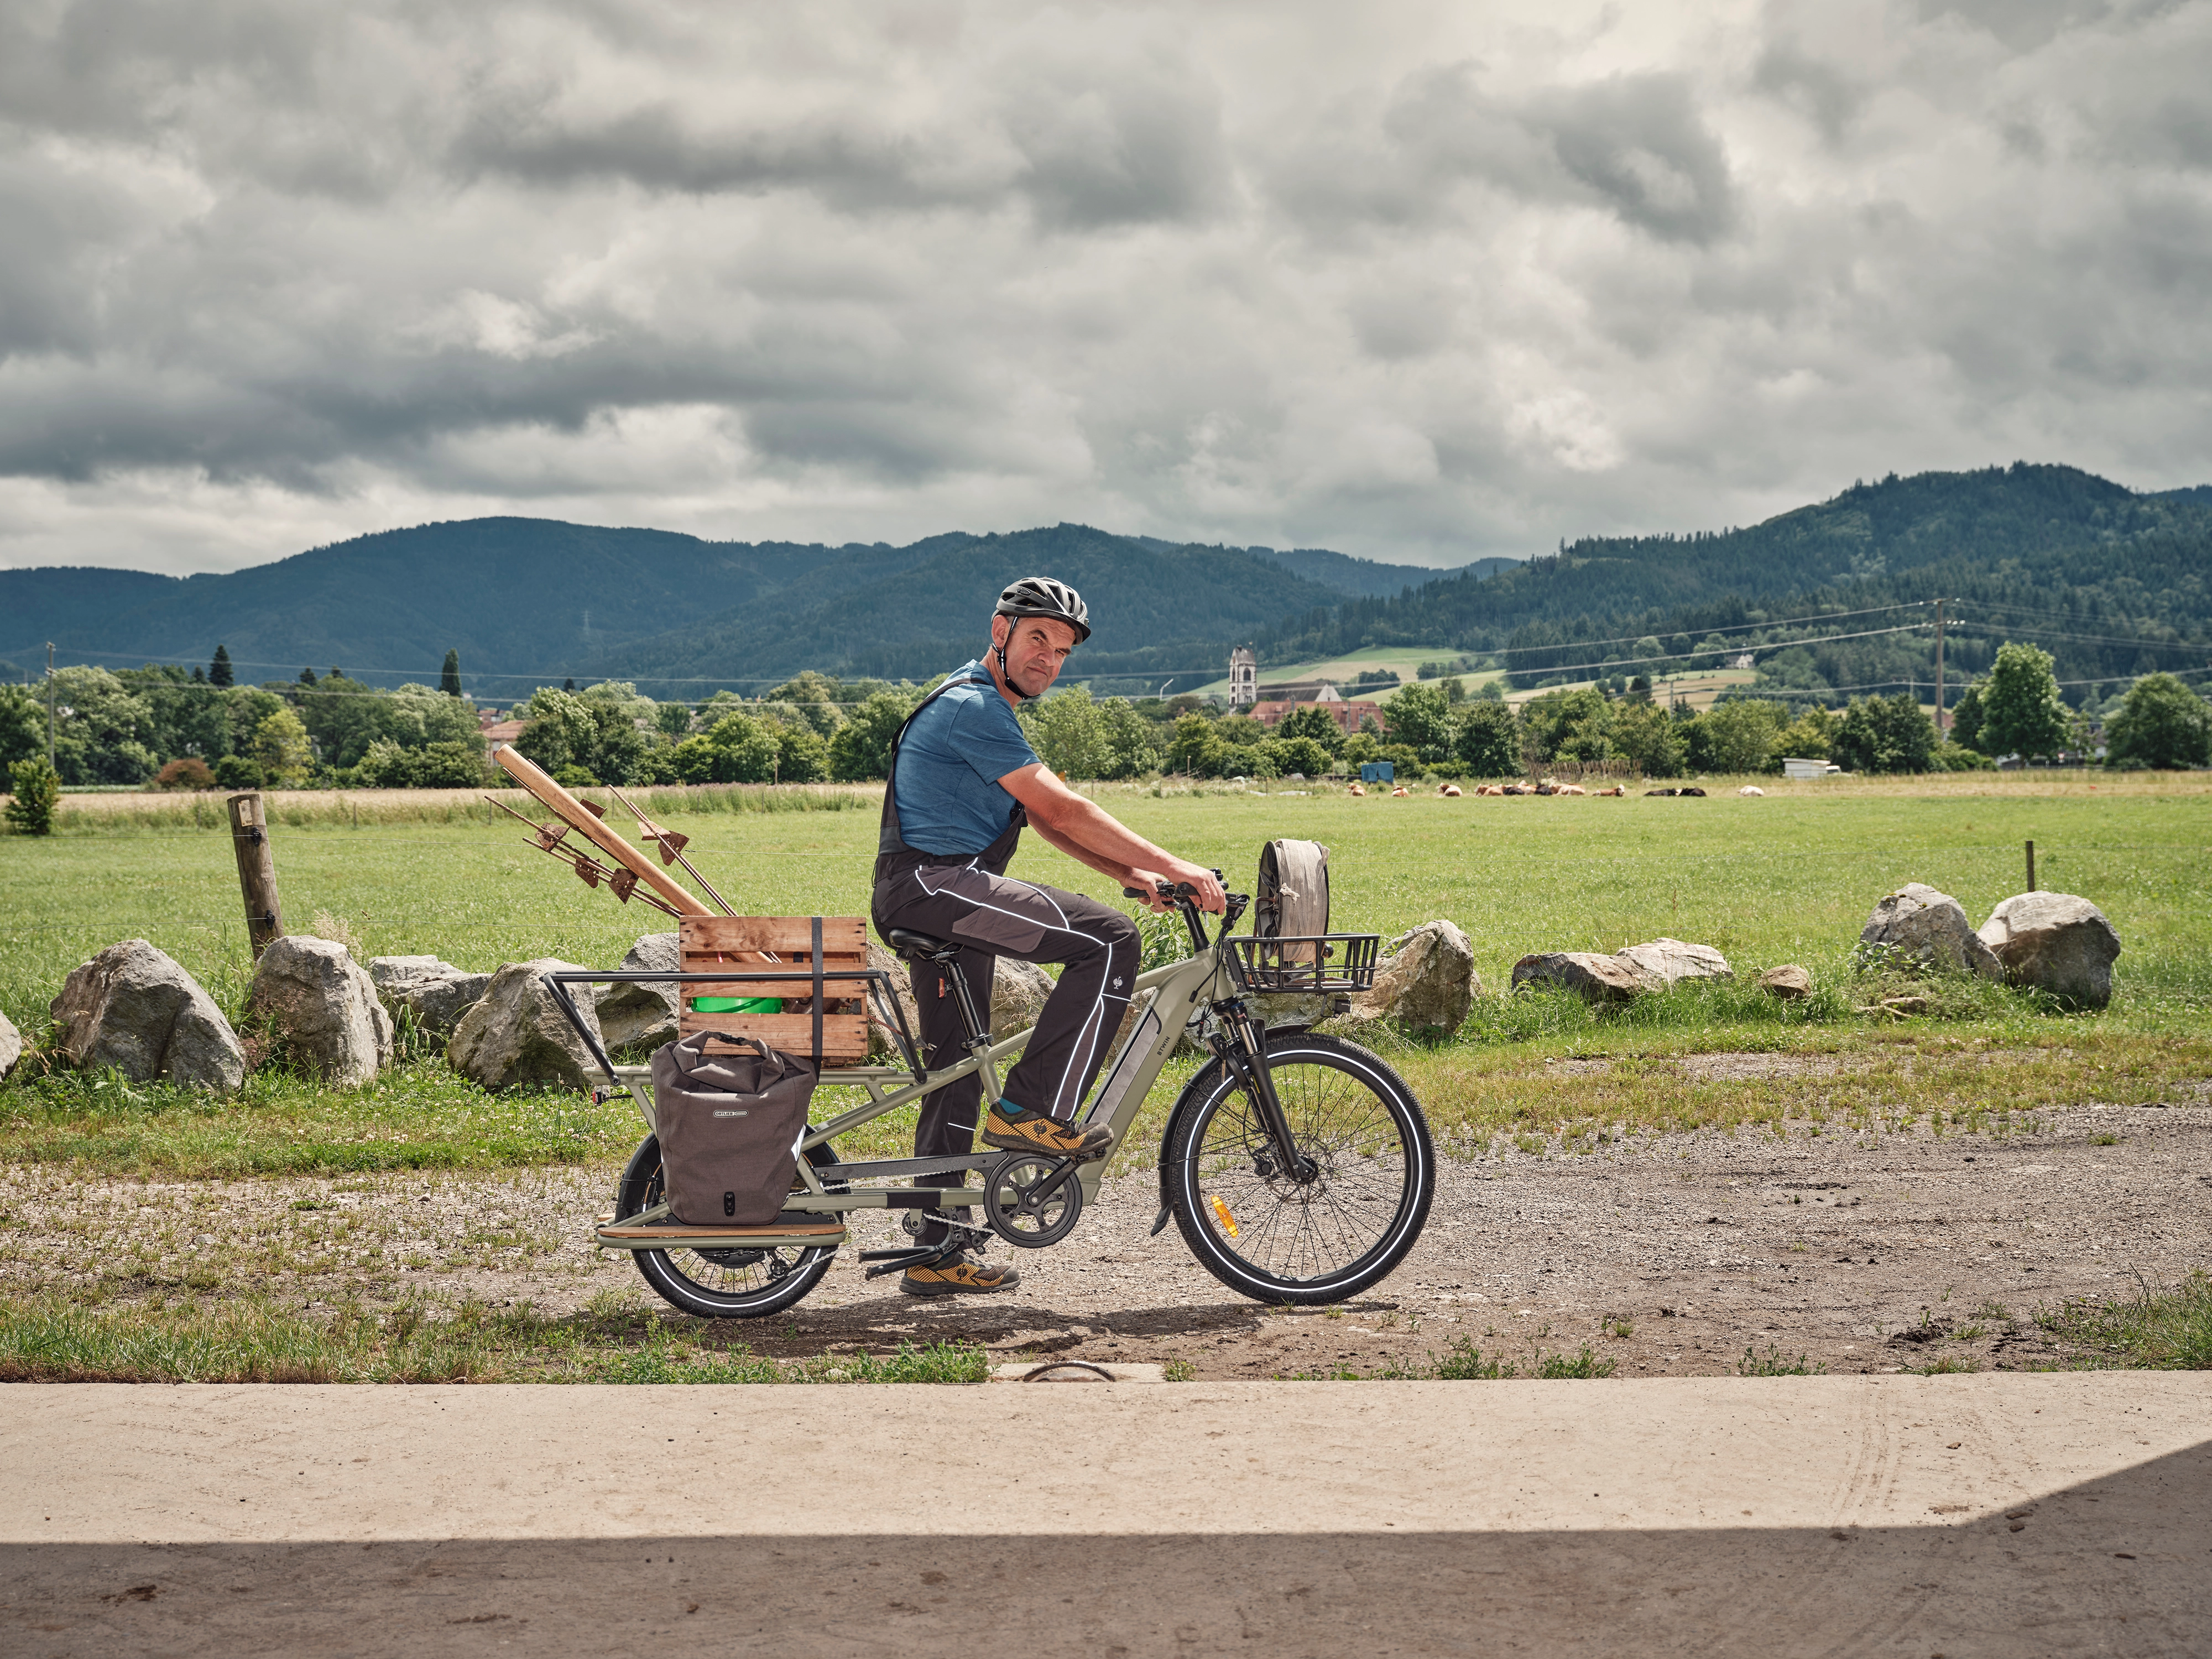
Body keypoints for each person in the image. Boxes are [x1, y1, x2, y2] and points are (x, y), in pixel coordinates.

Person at [872, 576, 1227, 1297]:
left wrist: (1131, 873)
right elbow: (1063, 807)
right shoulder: (973, 705)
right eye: (1038, 639)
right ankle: (1031, 1115)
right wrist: (1174, 865)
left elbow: (1038, 818)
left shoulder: (981, 702)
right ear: (1000, 631)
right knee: (1109, 941)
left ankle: (935, 1251)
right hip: (936, 885)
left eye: (1063, 651)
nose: (1050, 659)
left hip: (929, 892)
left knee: (955, 1072)